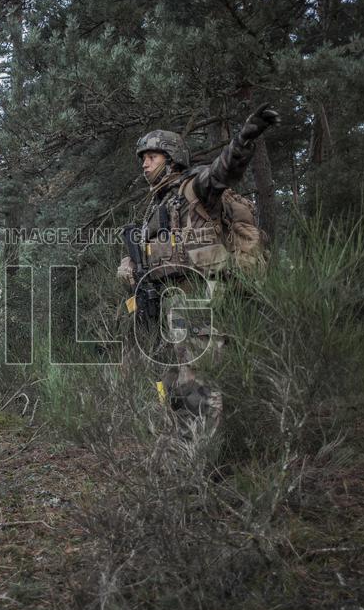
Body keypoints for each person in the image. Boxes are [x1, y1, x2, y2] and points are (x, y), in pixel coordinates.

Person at [117, 104, 279, 435]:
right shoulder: (157, 206)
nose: (145, 164)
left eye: (152, 157)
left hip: (198, 298)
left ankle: (203, 453)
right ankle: (183, 449)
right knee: (171, 383)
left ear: (172, 159)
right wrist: (129, 266)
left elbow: (225, 169)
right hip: (167, 304)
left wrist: (245, 138)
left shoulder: (197, 188)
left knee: (198, 380)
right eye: (143, 158)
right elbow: (152, 256)